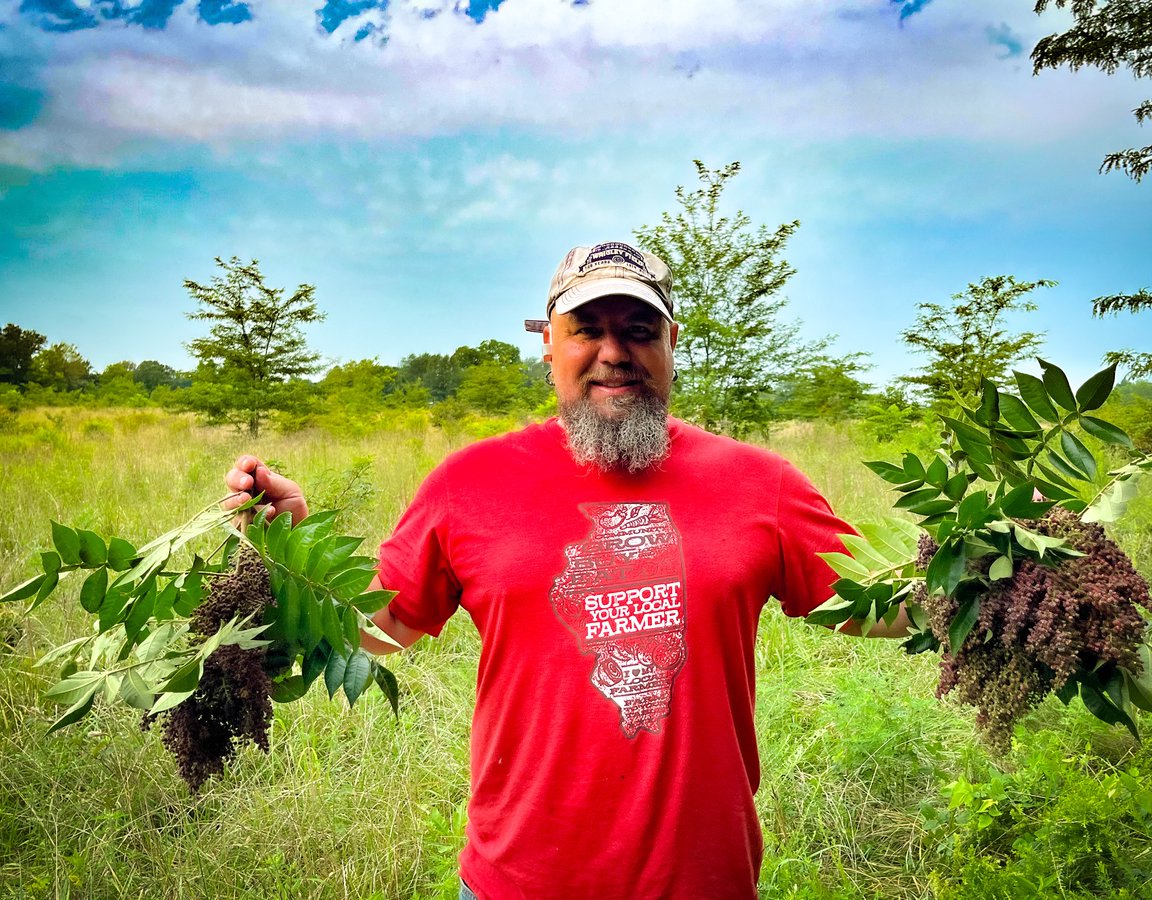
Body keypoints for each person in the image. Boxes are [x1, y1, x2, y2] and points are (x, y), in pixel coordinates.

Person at [224, 240, 909, 899]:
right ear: (547, 343)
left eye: (639, 330)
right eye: (586, 330)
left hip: (703, 883)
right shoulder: (469, 483)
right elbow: (378, 630)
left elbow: (873, 604)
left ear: (672, 343)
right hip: (516, 885)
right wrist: (287, 556)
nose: (614, 354)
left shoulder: (761, 484)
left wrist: (996, 549)